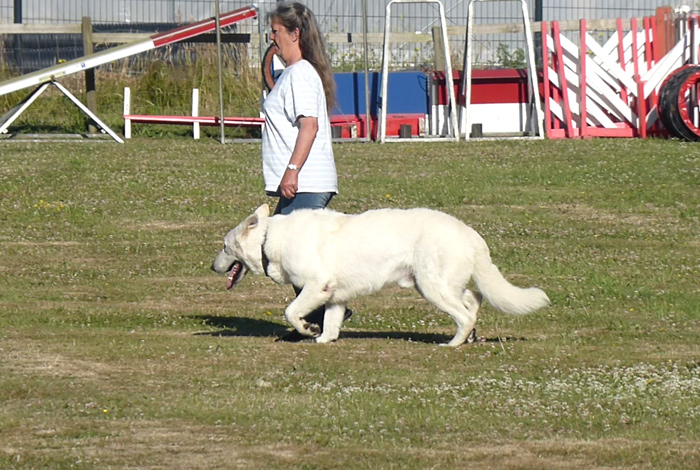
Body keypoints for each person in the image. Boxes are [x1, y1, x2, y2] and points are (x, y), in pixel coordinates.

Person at [261, 2, 349, 338]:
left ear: (295, 33)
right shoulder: (294, 74)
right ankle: (318, 318)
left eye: (276, 32)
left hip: (306, 180)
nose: (272, 37)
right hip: (301, 180)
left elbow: (308, 127)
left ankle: (318, 316)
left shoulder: (301, 74)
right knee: (286, 253)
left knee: (293, 257)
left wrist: (292, 170)